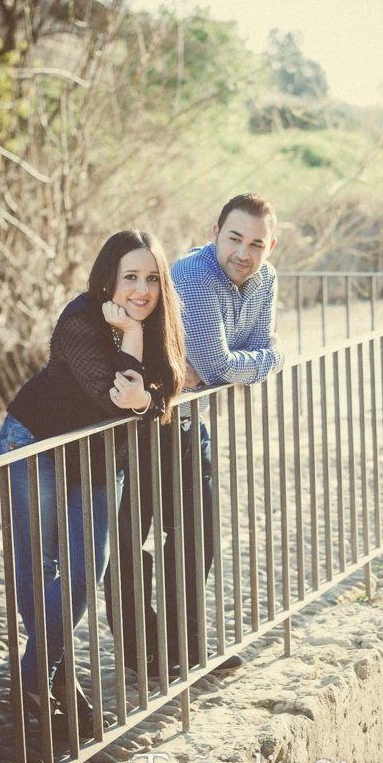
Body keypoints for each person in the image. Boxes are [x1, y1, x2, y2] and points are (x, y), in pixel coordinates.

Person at [0, 229, 185, 736]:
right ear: (108, 279)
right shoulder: (79, 322)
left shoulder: (155, 324)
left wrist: (141, 357)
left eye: (151, 278)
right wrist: (138, 385)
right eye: (130, 278)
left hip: (98, 460)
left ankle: (35, 677)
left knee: (85, 572)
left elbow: (160, 394)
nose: (141, 290)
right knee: (41, 568)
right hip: (36, 445)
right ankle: (54, 684)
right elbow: (114, 396)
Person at [105, 193, 284, 674]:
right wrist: (264, 361)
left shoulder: (264, 279)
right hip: (134, 428)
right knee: (127, 544)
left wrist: (254, 360)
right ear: (214, 232)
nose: (244, 253)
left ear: (271, 245)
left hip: (184, 421)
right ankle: (144, 653)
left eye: (256, 243)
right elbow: (220, 362)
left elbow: (249, 351)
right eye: (234, 238)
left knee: (195, 538)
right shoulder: (196, 278)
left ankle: (185, 646)